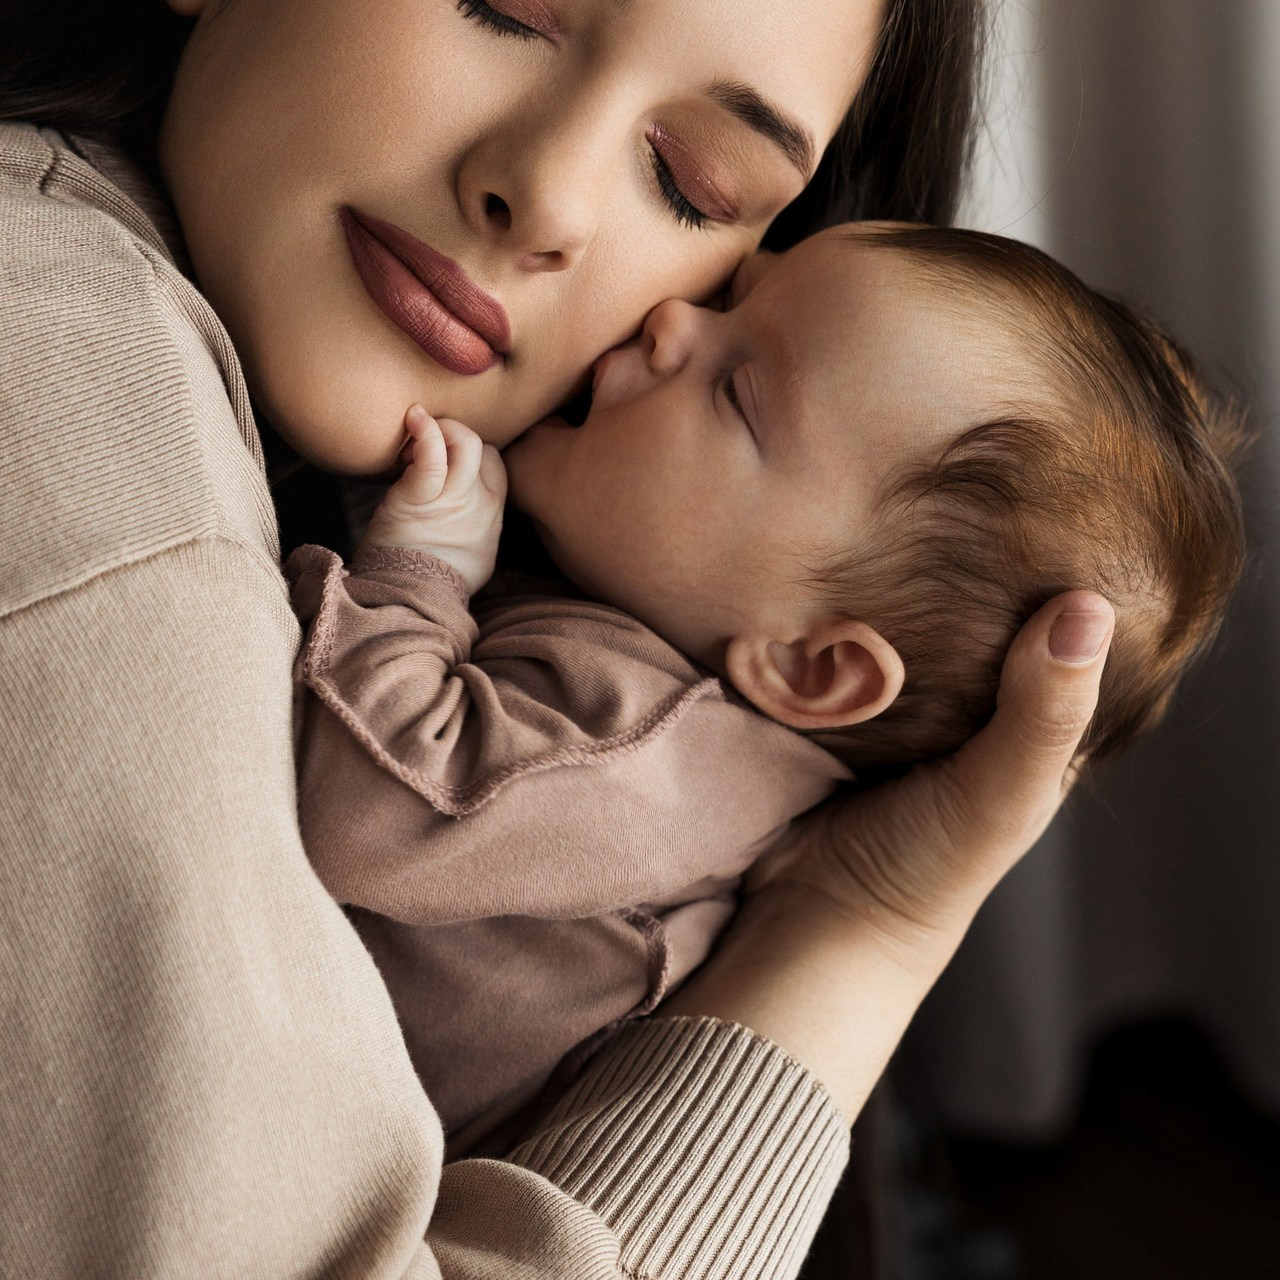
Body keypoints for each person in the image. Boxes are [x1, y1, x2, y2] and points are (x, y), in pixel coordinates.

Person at [0, 1, 1117, 1276]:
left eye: (691, 185)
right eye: (505, 8)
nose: (548, 198)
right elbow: (390, 790)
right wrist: (858, 937)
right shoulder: (89, 494)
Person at [285, 222, 1244, 1149]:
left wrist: (422, 570)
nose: (672, 322)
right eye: (736, 296)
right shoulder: (646, 654)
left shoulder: (653, 755)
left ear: (808, 666)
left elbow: (372, 808)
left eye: (737, 390)